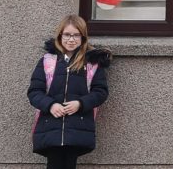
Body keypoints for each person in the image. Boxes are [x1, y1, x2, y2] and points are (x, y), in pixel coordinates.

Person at [28, 14, 111, 169]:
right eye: (67, 34)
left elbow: (100, 92)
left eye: (76, 35)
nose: (71, 39)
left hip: (77, 126)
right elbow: (34, 92)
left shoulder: (92, 63)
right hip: (50, 126)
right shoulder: (48, 61)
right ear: (60, 36)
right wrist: (51, 105)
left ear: (83, 37)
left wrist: (80, 104)